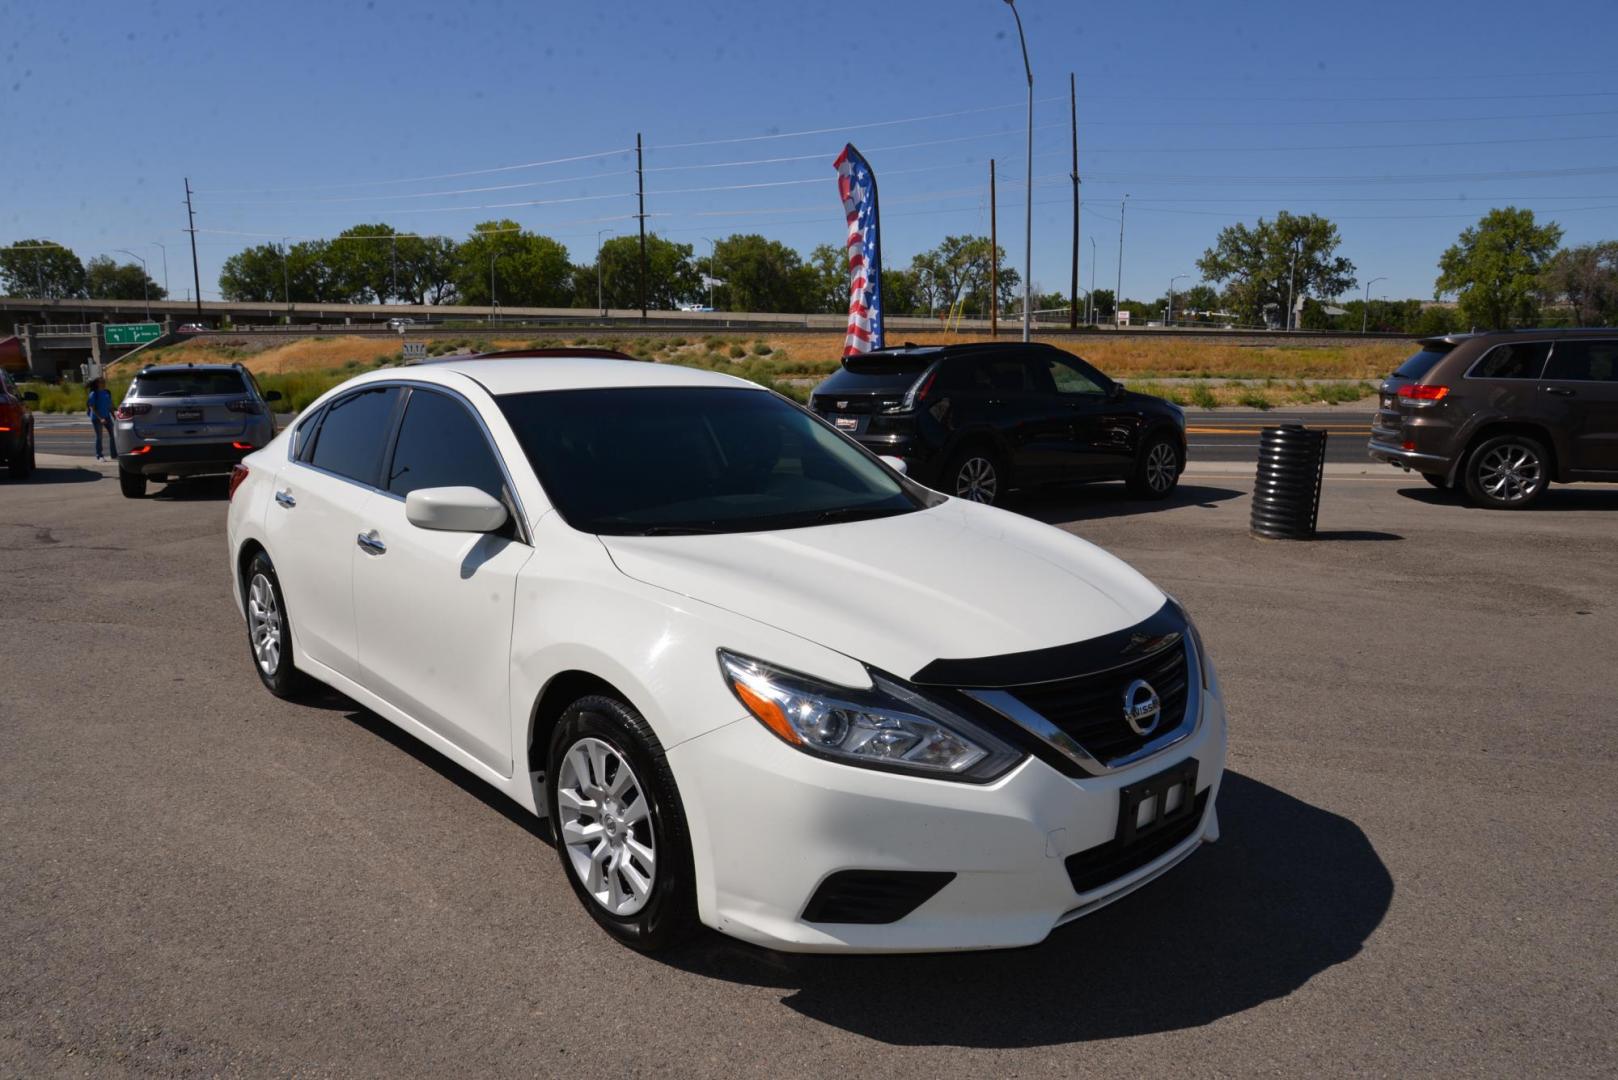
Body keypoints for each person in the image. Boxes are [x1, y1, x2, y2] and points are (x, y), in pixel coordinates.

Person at [87, 378, 115, 461]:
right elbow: (92, 407)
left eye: (104, 382)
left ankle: (114, 454)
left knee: (113, 435)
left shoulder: (107, 392)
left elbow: (109, 405)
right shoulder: (93, 394)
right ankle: (99, 455)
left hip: (107, 416)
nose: (104, 383)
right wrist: (100, 418)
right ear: (97, 384)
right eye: (102, 382)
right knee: (99, 437)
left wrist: (114, 415)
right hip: (97, 418)